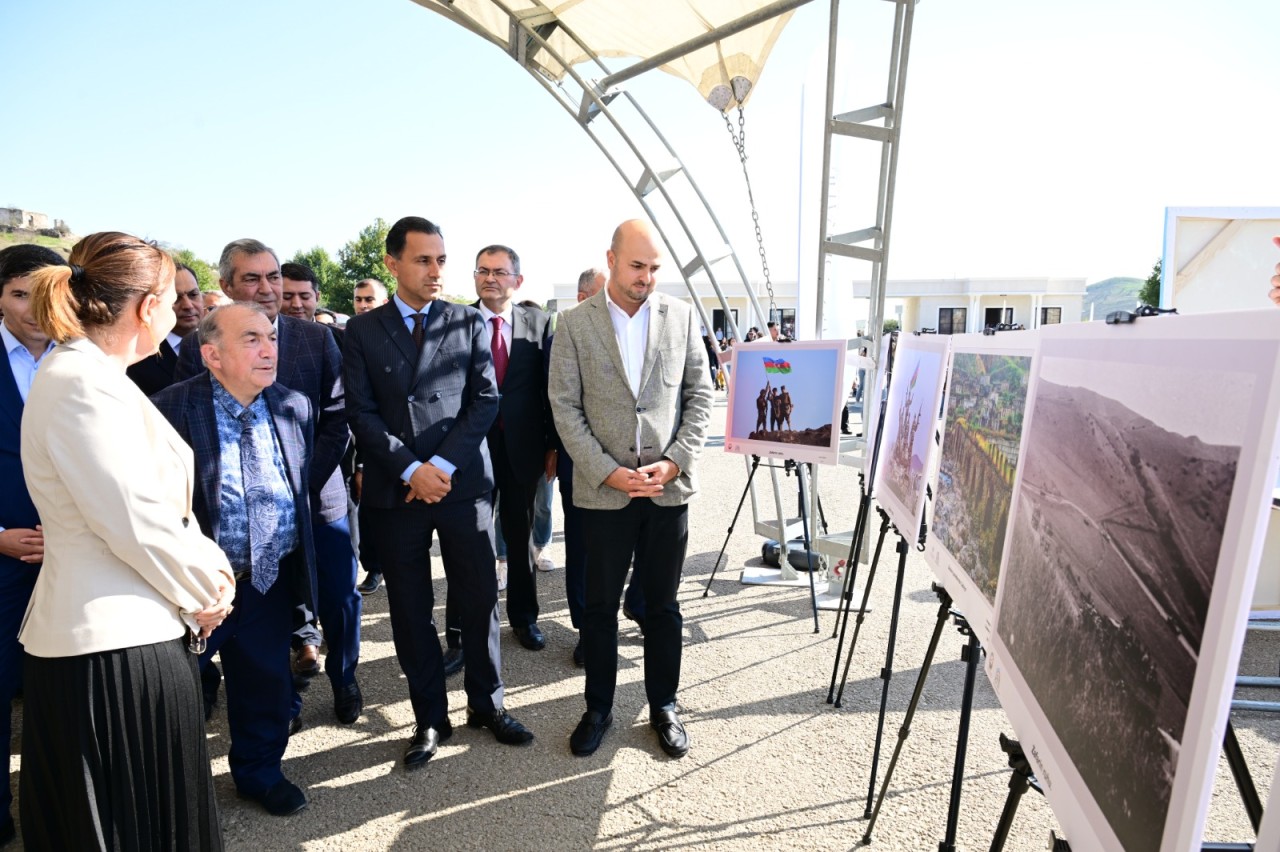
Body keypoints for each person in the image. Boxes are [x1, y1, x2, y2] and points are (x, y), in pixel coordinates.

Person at [18, 232, 235, 850]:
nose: (180, 313)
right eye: (172, 298)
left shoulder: (90, 376)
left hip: (127, 634)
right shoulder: (78, 382)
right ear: (146, 307)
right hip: (109, 650)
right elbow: (134, 519)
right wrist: (209, 589)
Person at [344, 215, 533, 769]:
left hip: (461, 484)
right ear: (393, 263)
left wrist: (441, 465)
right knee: (410, 609)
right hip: (396, 490)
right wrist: (410, 469)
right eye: (423, 259)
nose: (435, 271)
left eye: (441, 260)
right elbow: (360, 410)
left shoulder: (466, 322)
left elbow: (484, 399)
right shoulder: (362, 331)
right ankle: (429, 717)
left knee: (478, 601)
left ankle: (488, 705)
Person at [176, 240, 361, 725]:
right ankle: (282, 706)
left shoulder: (316, 339)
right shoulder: (199, 349)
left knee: (337, 598)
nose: (267, 288)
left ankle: (345, 681)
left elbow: (336, 418)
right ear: (227, 287)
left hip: (316, 502)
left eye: (273, 276)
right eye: (252, 279)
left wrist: (297, 487)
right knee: (263, 622)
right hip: (229, 537)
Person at [549, 219, 713, 759]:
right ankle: (598, 708)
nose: (645, 277)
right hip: (604, 494)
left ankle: (664, 705)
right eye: (637, 265)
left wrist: (672, 463)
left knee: (663, 607)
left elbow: (700, 397)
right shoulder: (574, 324)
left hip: (666, 492)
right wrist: (608, 471)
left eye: (653, 268)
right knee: (598, 608)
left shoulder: (683, 317)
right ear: (612, 259)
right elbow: (566, 409)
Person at [153, 303, 317, 817]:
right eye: (251, 340)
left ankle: (259, 773)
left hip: (268, 580)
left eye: (270, 337)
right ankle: (169, 790)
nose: (269, 349)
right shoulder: (168, 411)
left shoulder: (294, 405)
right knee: (173, 694)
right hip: (196, 592)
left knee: (266, 685)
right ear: (212, 355)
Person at [444, 244, 554, 667]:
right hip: (470, 450)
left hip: (523, 450)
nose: (491, 278)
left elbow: (551, 390)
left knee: (520, 533)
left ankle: (524, 618)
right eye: (483, 271)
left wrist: (552, 446)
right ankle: (458, 632)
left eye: (500, 272)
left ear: (517, 280)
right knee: (465, 540)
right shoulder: (455, 322)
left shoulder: (540, 324)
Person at [0, 243, 63, 844]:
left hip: (75, 559)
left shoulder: (87, 360)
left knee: (67, 698)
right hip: (4, 560)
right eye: (21, 293)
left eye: (46, 292)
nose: (35, 307)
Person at [554, 267, 646, 667]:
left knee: (644, 542)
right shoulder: (567, 332)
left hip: (639, 469)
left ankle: (638, 606)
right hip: (582, 466)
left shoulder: (635, 328)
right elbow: (558, 405)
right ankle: (585, 629)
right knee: (583, 551)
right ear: (582, 299)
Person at [351, 278, 390, 594]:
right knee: (370, 514)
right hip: (368, 447)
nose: (363, 305)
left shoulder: (396, 336)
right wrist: (361, 463)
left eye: (369, 299)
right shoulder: (349, 336)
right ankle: (374, 568)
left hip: (404, 443)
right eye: (359, 299)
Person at [126, 261, 203, 395]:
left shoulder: (222, 343)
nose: (188, 305)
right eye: (177, 298)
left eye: (193, 294)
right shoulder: (137, 355)